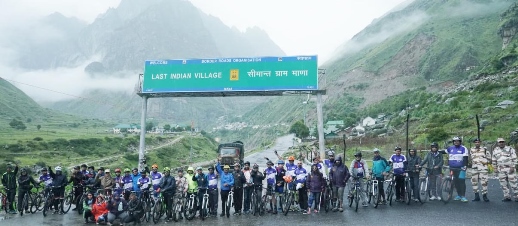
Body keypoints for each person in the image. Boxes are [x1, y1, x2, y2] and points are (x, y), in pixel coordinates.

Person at [491, 137, 518, 202]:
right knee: (503, 184)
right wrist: (494, 168)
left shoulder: (510, 149)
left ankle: (517, 196)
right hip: (501, 170)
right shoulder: (495, 150)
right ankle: (507, 197)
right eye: (500, 142)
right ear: (497, 143)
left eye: (502, 142)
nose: (501, 143)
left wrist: (513, 166)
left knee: (514, 183)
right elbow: (494, 160)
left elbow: (514, 158)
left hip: (510, 168)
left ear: (504, 142)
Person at [446, 136, 469, 202]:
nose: (456, 142)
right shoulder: (450, 148)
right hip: (452, 168)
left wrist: (465, 166)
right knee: (455, 182)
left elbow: (465, 158)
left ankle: (463, 196)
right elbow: (443, 151)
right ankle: (458, 195)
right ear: (453, 142)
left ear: (460, 142)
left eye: (457, 141)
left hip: (461, 168)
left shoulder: (463, 148)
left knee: (461, 181)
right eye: (455, 141)